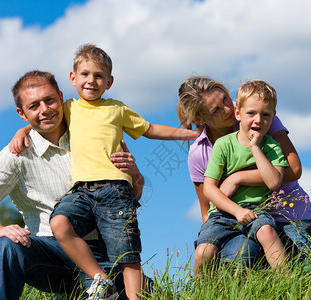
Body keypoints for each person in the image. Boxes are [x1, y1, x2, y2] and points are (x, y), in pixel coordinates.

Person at [0, 70, 143, 300]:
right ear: (22, 113)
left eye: (49, 100)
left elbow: (131, 197)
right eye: (33, 106)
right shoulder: (19, 151)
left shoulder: (95, 133)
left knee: (152, 294)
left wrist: (135, 176)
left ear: (62, 98)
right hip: (51, 253)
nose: (44, 110)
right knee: (8, 245)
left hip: (104, 254)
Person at [45, 43, 201, 300]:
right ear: (73, 78)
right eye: (85, 74)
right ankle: (100, 279)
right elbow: (44, 120)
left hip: (116, 190)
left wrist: (190, 134)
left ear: (109, 81)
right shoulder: (68, 108)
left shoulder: (117, 109)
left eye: (99, 76)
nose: (91, 81)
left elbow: (150, 129)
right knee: (59, 223)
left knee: (127, 255)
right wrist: (21, 132)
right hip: (81, 191)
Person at [177, 76, 311, 268]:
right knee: (236, 266)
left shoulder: (257, 115)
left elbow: (293, 168)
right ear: (200, 119)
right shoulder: (199, 152)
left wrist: (239, 177)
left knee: (308, 273)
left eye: (226, 99)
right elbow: (207, 210)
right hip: (240, 220)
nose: (228, 109)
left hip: (288, 213)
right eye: (216, 110)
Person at [193, 80, 289, 273]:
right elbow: (209, 188)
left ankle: (288, 282)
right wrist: (236, 211)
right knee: (204, 252)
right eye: (251, 113)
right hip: (222, 213)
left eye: (266, 115)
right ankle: (200, 291)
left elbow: (273, 181)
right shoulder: (223, 144)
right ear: (238, 113)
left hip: (256, 210)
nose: (258, 120)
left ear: (273, 117)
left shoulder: (271, 146)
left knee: (267, 232)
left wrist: (255, 148)